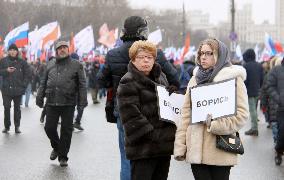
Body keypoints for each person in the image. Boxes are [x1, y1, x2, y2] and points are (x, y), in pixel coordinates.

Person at [97, 16, 179, 180]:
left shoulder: (113, 54)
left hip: (123, 111)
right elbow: (175, 79)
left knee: (128, 156)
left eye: (147, 59)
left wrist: (116, 81)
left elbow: (100, 80)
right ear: (143, 32)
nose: (145, 60)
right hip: (154, 113)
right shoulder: (155, 53)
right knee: (153, 159)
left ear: (124, 31)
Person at [174, 38, 249, 180]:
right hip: (195, 151)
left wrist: (215, 124)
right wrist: (180, 145)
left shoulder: (232, 79)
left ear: (219, 55)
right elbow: (185, 115)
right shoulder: (195, 79)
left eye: (209, 53)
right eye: (201, 53)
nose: (203, 57)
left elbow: (242, 115)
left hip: (220, 150)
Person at [117, 40, 176, 180]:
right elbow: (131, 114)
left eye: (149, 57)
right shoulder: (128, 81)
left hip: (163, 147)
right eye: (141, 57)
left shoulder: (161, 77)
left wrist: (172, 95)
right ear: (133, 60)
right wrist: (152, 134)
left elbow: (167, 107)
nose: (145, 61)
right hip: (143, 147)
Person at [36, 41, 87, 167]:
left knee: (66, 130)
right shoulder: (50, 64)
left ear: (68, 50)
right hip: (52, 101)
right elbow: (43, 81)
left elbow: (82, 84)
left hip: (68, 102)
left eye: (64, 47)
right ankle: (57, 147)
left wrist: (82, 101)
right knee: (49, 128)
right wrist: (39, 96)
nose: (62, 50)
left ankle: (63, 157)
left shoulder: (77, 65)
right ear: (56, 51)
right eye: (60, 48)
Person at [0, 44, 31, 133]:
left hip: (18, 89)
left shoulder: (22, 62)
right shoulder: (3, 61)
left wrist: (23, 85)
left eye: (14, 50)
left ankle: (17, 126)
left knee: (17, 109)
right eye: (11, 50)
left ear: (17, 51)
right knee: (6, 108)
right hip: (6, 90)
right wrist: (6, 71)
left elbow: (28, 74)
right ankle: (7, 126)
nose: (13, 51)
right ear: (8, 51)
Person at [267, 56, 284, 166]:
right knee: (282, 133)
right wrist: (279, 99)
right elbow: (270, 86)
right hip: (282, 108)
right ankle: (278, 151)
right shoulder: (276, 70)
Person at [242, 49, 264, 136]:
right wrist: (259, 87)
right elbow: (262, 78)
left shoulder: (246, 66)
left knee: (252, 110)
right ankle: (254, 127)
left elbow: (244, 80)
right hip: (257, 90)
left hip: (249, 91)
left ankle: (254, 129)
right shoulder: (259, 65)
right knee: (254, 109)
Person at [70, 52, 85, 131]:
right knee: (77, 107)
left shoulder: (78, 66)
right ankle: (74, 123)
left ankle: (75, 123)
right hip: (75, 91)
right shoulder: (78, 65)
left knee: (78, 107)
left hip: (77, 90)